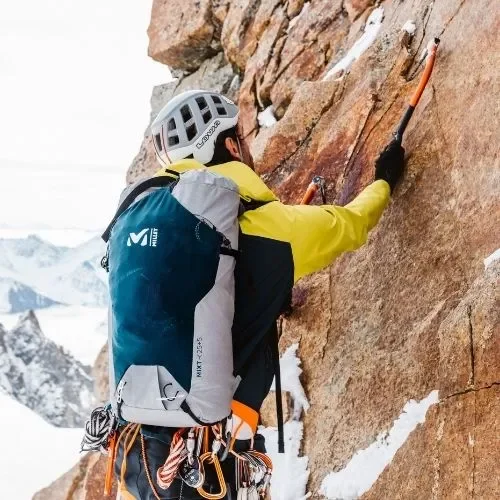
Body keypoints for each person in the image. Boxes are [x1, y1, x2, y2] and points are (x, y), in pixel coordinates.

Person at [114, 89, 404, 499]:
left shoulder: (149, 221)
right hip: (210, 455)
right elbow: (347, 225)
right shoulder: (261, 224)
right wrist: (384, 181)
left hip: (140, 447)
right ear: (230, 146)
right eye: (241, 138)